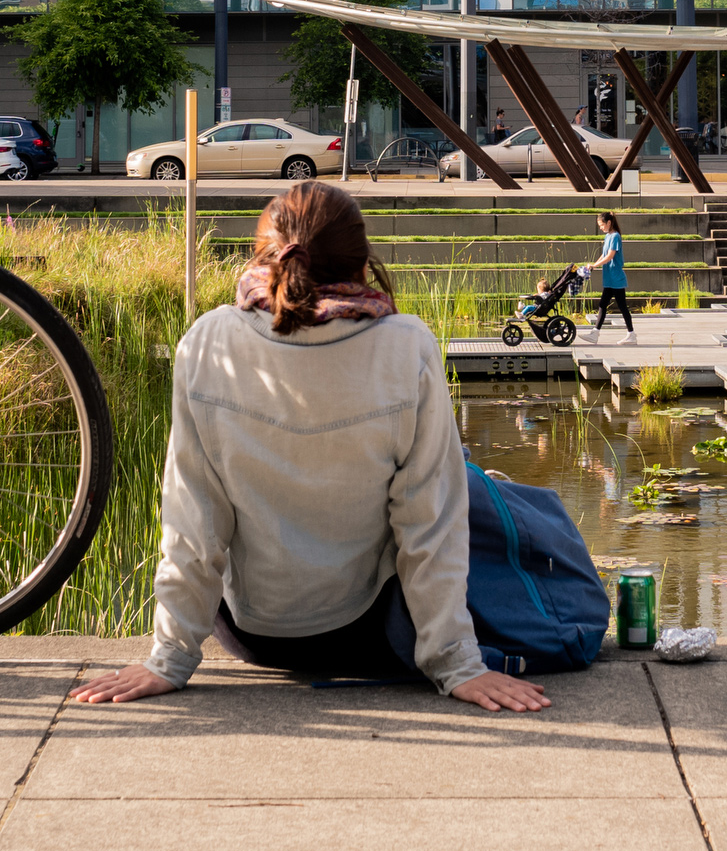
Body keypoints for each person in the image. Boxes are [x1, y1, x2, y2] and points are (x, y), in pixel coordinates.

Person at [71, 180, 550, 714]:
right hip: (369, 628)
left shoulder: (206, 343)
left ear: (263, 257)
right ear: (362, 264)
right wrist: (457, 663)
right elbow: (429, 522)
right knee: (466, 480)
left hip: (251, 636)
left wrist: (170, 657)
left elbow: (193, 517)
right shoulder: (408, 345)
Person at [585, 209, 632, 338]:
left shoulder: (615, 236)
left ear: (609, 222)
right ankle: (595, 333)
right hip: (610, 278)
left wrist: (595, 265)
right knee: (603, 305)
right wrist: (593, 264)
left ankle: (631, 334)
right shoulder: (608, 236)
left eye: (602, 225)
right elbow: (604, 255)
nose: (600, 228)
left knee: (621, 307)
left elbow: (610, 256)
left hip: (616, 278)